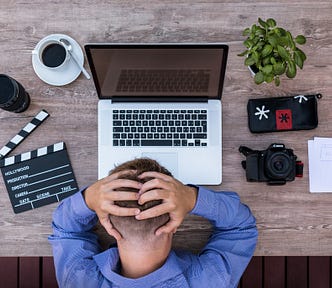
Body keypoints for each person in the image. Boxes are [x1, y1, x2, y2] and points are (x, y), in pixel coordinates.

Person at [49, 158, 258, 288]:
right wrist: (192, 198)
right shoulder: (212, 280)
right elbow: (241, 227)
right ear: (173, 226)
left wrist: (88, 199)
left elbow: (66, 230)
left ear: (108, 225)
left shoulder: (78, 280)